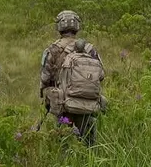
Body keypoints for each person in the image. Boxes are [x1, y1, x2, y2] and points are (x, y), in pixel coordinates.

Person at [40, 10, 105, 145]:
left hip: (63, 104)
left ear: (59, 26)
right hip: (87, 103)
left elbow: (45, 78)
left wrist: (45, 96)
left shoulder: (52, 49)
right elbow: (101, 75)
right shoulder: (90, 49)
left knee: (63, 142)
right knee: (89, 145)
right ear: (77, 26)